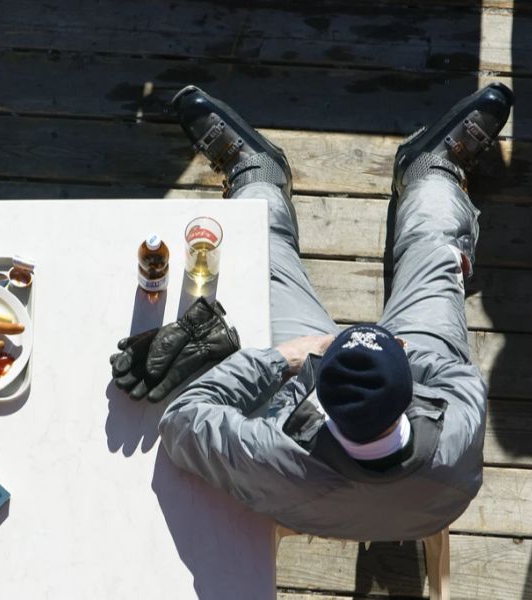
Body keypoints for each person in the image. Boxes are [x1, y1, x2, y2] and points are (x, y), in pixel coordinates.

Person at [158, 83, 513, 540]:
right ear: (407, 390)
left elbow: (182, 419)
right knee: (437, 255)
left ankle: (258, 178)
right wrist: (402, 353)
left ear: (321, 394)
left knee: (261, 259)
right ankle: (432, 172)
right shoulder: (456, 427)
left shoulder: (274, 453)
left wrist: (281, 359)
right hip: (422, 503)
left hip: (304, 489)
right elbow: (459, 377)